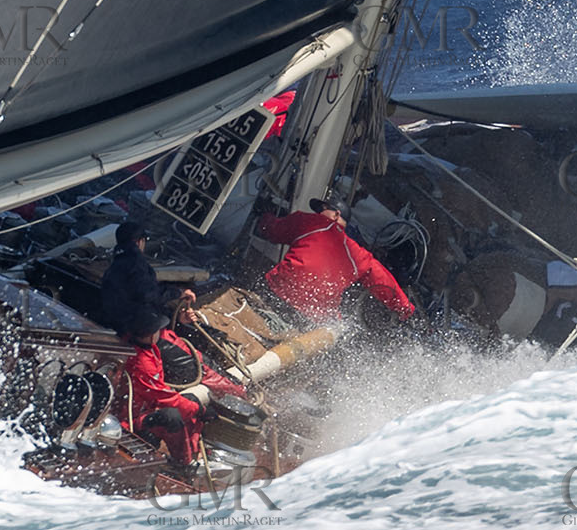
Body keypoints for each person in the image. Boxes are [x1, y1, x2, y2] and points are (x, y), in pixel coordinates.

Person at [117, 309, 246, 469]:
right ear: (150, 335)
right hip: (133, 421)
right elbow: (164, 399)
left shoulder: (145, 348)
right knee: (172, 416)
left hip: (145, 408)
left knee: (190, 400)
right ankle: (184, 464)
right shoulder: (141, 362)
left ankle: (193, 451)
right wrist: (201, 411)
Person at [256, 197, 416, 324]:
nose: (318, 213)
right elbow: (383, 281)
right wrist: (405, 309)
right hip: (312, 318)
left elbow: (273, 230)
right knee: (337, 322)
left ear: (336, 214)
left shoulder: (312, 222)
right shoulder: (358, 255)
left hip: (278, 294)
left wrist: (264, 215)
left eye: (322, 209)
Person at [97, 222, 161, 335]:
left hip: (111, 320)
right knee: (164, 321)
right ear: (139, 242)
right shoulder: (136, 263)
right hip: (131, 327)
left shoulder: (116, 261)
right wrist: (176, 292)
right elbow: (147, 294)